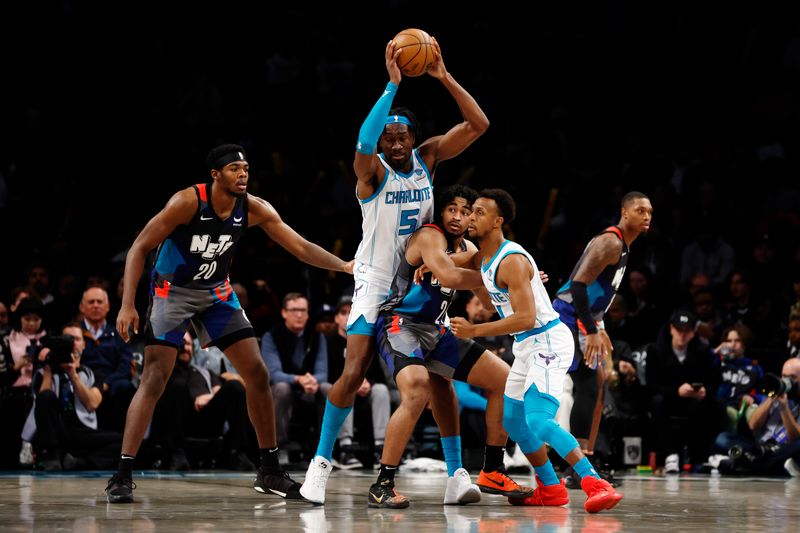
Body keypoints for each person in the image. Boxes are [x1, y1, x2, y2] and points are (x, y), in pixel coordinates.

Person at [105, 143, 353, 504]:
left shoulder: (253, 208)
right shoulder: (186, 202)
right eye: (235, 169)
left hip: (216, 293)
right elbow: (139, 247)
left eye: (247, 169)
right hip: (172, 291)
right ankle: (122, 473)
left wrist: (344, 266)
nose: (243, 175)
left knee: (257, 373)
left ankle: (269, 469)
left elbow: (299, 247)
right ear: (215, 175)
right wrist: (128, 304)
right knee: (155, 378)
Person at [301, 33, 489, 504]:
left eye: (404, 133)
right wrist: (391, 88)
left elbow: (478, 123)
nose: (398, 139)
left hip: (422, 283)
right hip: (376, 283)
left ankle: (456, 474)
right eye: (391, 134)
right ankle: (320, 465)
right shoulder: (373, 172)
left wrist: (442, 75)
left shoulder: (427, 158)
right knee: (353, 372)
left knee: (441, 378)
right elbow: (363, 142)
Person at [450, 189, 623, 513]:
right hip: (526, 344)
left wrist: (474, 330)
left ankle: (594, 482)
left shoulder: (511, 259)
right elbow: (451, 263)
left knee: (540, 421)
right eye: (470, 212)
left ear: (498, 221)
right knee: (513, 421)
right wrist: (427, 265)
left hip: (547, 339)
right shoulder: (483, 256)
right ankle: (551, 488)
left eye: (479, 213)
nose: (471, 217)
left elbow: (526, 317)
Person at [369, 185, 532, 508]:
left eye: (466, 211)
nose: (458, 216)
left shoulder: (471, 248)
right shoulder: (429, 236)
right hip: (402, 324)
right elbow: (449, 274)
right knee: (417, 389)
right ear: (441, 212)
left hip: (439, 330)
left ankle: (492, 469)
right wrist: (503, 277)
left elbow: (486, 300)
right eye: (452, 209)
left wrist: (522, 284)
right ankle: (382, 482)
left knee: (506, 381)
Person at [551, 191, 653, 481]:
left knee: (595, 387)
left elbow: (596, 292)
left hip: (585, 317)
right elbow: (579, 286)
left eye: (650, 213)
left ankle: (583, 463)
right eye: (640, 211)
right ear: (624, 211)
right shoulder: (610, 241)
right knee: (586, 385)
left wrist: (600, 325)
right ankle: (575, 467)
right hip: (569, 316)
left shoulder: (624, 246)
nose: (646, 217)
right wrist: (593, 330)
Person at [28, 322, 122, 470]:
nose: (72, 343)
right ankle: (52, 456)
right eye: (68, 339)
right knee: (46, 397)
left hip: (82, 431)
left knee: (124, 442)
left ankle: (79, 463)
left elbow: (92, 404)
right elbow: (42, 402)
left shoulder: (92, 374)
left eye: (77, 339)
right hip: (55, 430)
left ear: (84, 345)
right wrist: (48, 369)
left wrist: (73, 373)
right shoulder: (43, 372)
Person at [325, 295, 392, 470]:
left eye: (350, 312)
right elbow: (326, 373)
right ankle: (346, 449)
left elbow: (377, 373)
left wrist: (366, 381)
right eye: (343, 312)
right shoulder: (328, 341)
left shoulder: (368, 341)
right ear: (336, 318)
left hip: (365, 389)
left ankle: (381, 449)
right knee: (344, 389)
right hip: (341, 386)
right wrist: (352, 382)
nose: (347, 316)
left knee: (381, 390)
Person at [260, 292, 330, 459]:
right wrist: (298, 379)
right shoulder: (271, 336)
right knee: (282, 388)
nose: (299, 315)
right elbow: (274, 374)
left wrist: (313, 381)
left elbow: (322, 373)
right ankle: (278, 447)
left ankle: (326, 449)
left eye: (303, 310)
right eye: (294, 310)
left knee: (329, 388)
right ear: (284, 312)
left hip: (309, 390)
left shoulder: (317, 337)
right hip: (284, 389)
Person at [714, 358, 800, 477]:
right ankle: (761, 465)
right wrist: (771, 398)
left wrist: (784, 408)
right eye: (783, 376)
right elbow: (753, 425)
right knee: (722, 438)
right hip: (760, 449)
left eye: (792, 377)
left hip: (784, 449)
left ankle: (744, 464)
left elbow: (794, 437)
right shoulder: (774, 392)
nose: (786, 380)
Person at [79, 287, 136, 432]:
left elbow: (125, 366)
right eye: (91, 302)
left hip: (111, 383)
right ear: (82, 307)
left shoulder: (119, 333)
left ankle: (123, 437)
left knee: (125, 386)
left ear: (108, 307)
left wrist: (106, 383)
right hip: (83, 382)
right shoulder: (75, 333)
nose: (96, 305)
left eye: (100, 302)